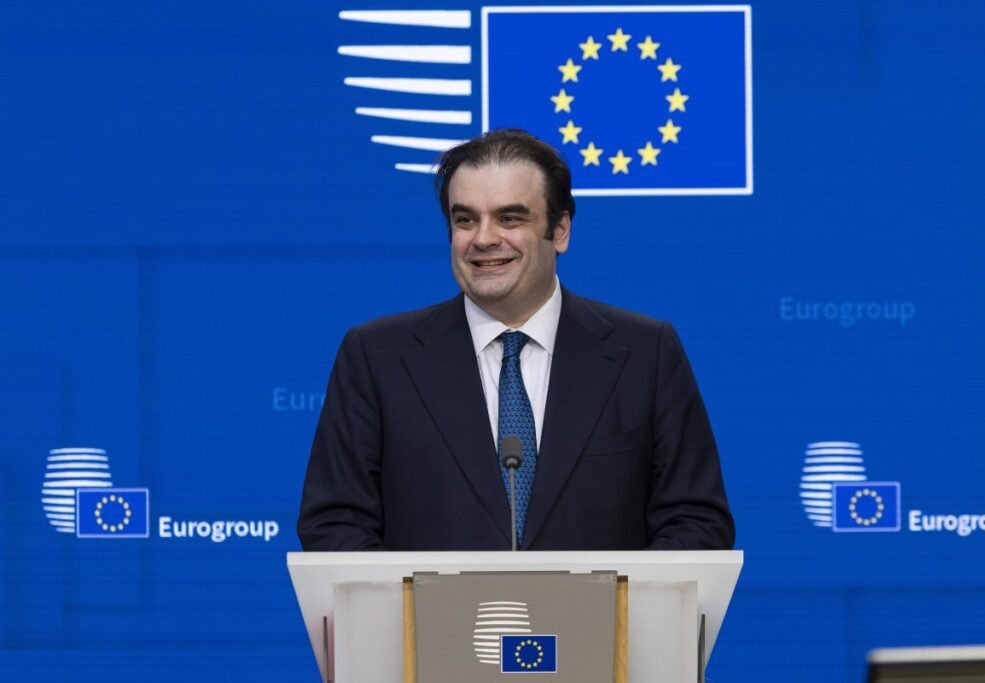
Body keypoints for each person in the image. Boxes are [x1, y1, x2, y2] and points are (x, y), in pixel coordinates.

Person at [298, 129, 734, 551]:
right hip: (429, 608)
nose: (484, 239)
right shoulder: (377, 357)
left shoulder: (646, 352)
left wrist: (610, 600)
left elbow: (696, 522)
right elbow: (335, 526)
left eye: (509, 218)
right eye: (465, 220)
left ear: (560, 231)